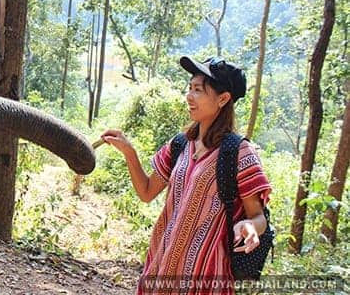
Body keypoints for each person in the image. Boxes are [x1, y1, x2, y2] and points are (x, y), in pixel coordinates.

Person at [100, 56, 271, 294]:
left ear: (223, 99)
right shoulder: (181, 144)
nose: (189, 96)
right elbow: (147, 192)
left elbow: (258, 217)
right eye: (189, 88)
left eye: (198, 90)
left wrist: (250, 227)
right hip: (161, 268)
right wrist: (129, 152)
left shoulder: (240, 152)